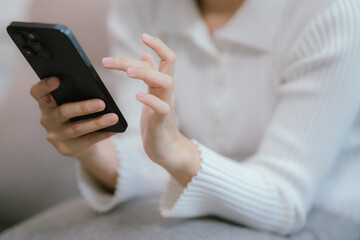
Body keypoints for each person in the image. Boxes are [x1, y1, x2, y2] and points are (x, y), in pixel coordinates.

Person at [28, 0, 360, 235]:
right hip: (185, 198)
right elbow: (149, 157)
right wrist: (90, 147)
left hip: (320, 213)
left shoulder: (329, 11)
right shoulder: (139, 6)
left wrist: (177, 150)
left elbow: (286, 201)